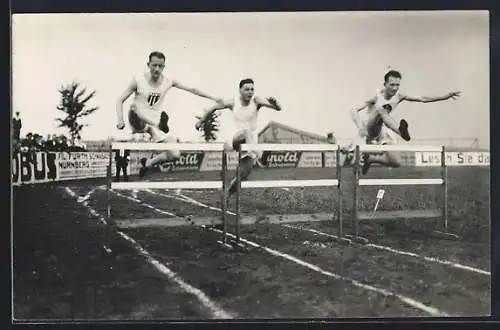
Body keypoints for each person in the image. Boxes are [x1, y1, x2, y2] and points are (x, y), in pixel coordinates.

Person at [116, 51, 222, 177]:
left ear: (164, 67)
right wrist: (120, 119)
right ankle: (158, 125)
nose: (157, 69)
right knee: (134, 107)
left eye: (160, 66)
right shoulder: (138, 80)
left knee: (174, 154)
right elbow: (120, 100)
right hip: (137, 119)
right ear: (148, 64)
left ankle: (148, 163)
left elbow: (192, 89)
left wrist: (214, 98)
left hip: (154, 121)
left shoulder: (168, 81)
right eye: (154, 65)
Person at [350, 70, 461, 174]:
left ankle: (371, 159)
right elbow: (353, 110)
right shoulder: (376, 96)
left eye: (397, 85)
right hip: (370, 128)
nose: (395, 88)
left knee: (396, 162)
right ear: (385, 84)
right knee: (380, 110)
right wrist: (360, 128)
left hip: (384, 128)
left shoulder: (399, 96)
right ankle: (401, 132)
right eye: (392, 85)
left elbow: (423, 98)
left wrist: (445, 96)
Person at [195, 78, 282, 202]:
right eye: (246, 89)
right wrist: (201, 120)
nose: (250, 92)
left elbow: (278, 108)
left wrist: (276, 103)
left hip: (251, 142)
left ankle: (226, 195)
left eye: (252, 89)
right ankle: (261, 157)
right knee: (245, 132)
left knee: (243, 175)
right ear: (240, 90)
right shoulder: (233, 102)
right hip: (236, 137)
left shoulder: (256, 101)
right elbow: (213, 108)